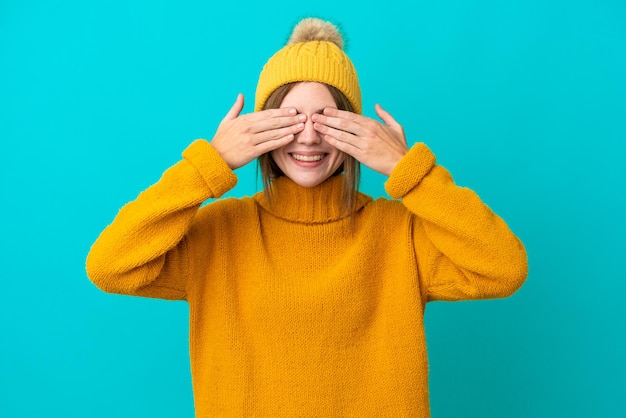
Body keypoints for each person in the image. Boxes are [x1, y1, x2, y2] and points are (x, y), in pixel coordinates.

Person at [86, 17, 528, 417]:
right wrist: (209, 164)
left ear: (358, 131)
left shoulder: (400, 232)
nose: (311, 136)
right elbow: (110, 265)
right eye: (290, 118)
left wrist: (407, 169)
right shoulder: (219, 233)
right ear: (259, 127)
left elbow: (503, 268)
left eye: (329, 119)